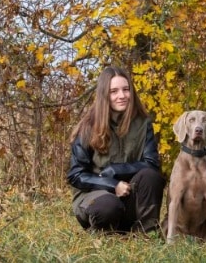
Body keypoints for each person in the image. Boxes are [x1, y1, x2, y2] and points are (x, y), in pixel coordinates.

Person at [66, 66, 166, 234]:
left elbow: (152, 164)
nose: (122, 96)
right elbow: (76, 175)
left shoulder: (143, 124)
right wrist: (112, 184)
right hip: (95, 196)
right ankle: (103, 232)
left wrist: (114, 170)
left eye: (126, 89)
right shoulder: (88, 127)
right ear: (104, 95)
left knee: (151, 176)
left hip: (130, 194)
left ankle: (146, 233)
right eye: (114, 91)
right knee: (108, 206)